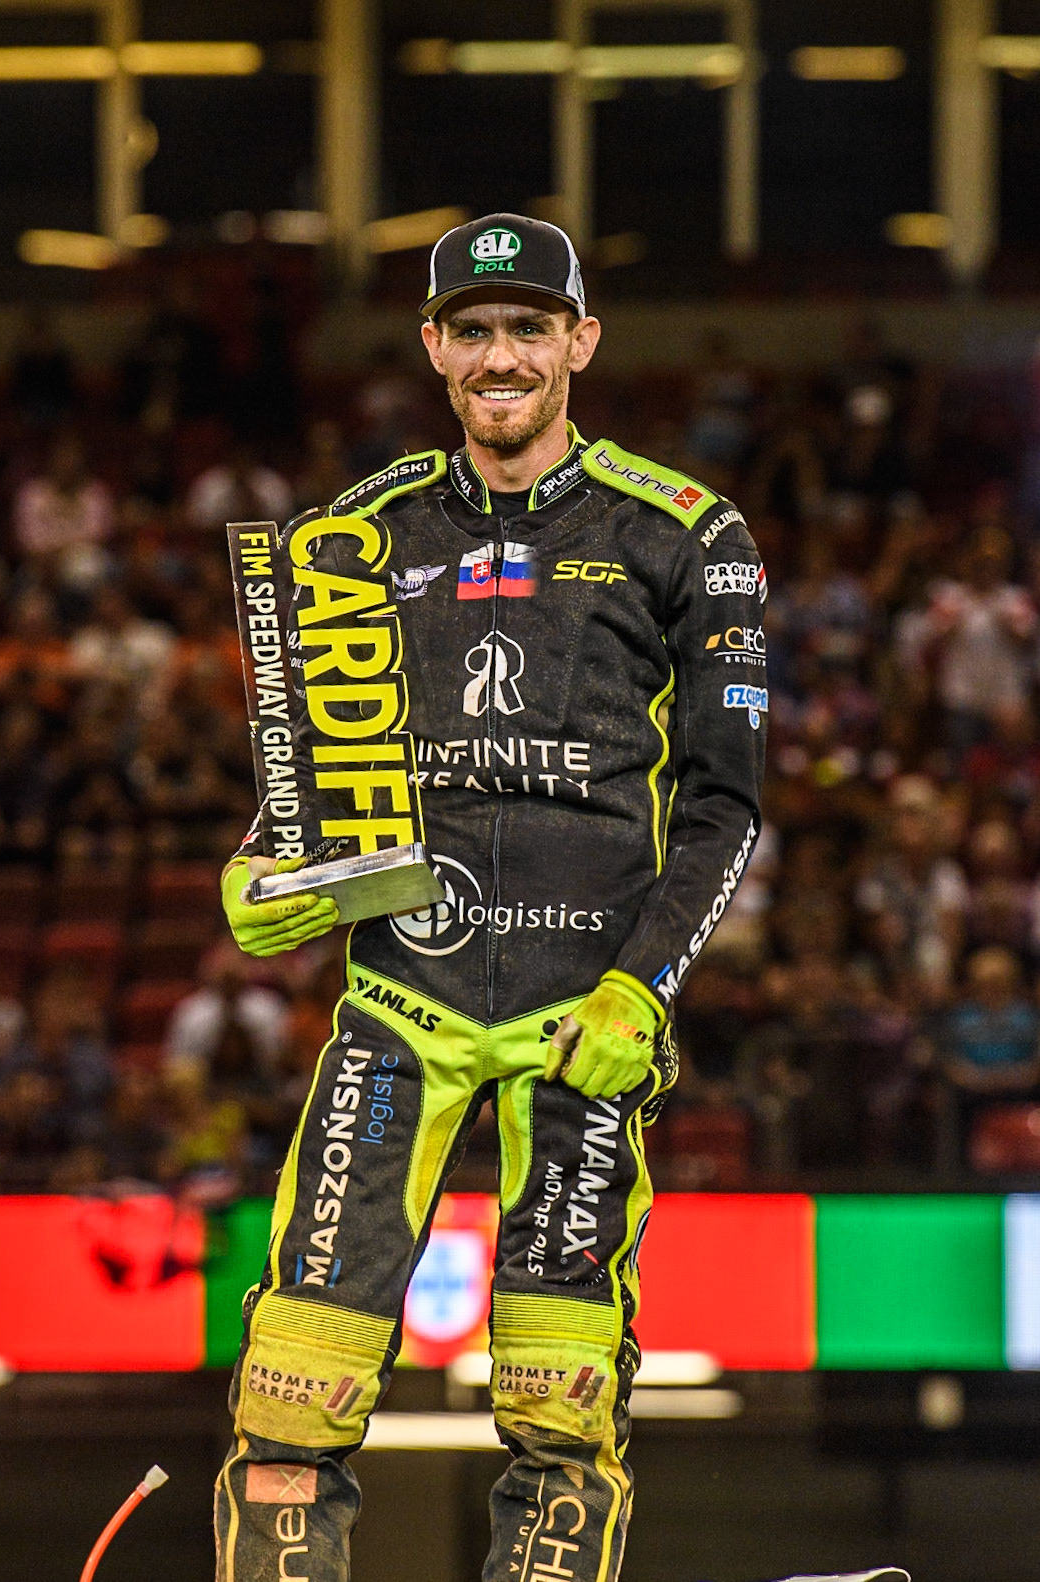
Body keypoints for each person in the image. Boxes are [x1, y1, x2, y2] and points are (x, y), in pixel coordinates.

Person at [212, 212, 770, 1582]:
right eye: (474, 329)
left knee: (559, 1408)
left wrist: (644, 985)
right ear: (433, 349)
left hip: (587, 1021)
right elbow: (314, 768)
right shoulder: (351, 534)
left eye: (530, 326)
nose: (502, 353)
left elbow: (726, 804)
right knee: (292, 1384)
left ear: (582, 341)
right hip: (401, 1004)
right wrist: (261, 859)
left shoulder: (691, 533)